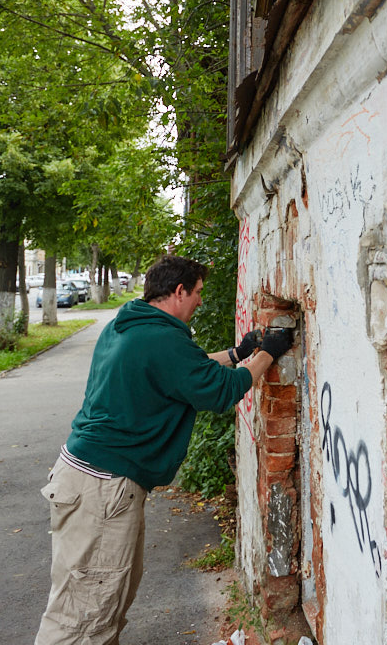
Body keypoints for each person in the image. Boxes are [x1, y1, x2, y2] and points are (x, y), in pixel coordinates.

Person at [34, 254, 293, 645]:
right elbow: (221, 390)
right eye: (199, 293)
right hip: (102, 488)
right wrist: (268, 353)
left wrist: (238, 354)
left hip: (89, 480)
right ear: (178, 292)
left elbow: (185, 371)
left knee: (106, 599)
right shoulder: (161, 338)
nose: (201, 301)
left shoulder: (131, 325)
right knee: (83, 616)